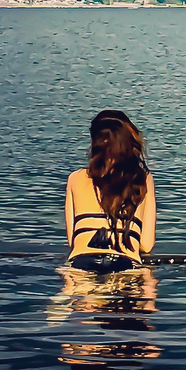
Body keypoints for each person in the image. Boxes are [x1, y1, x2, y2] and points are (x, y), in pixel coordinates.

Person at [65, 109, 156, 273]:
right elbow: (146, 244)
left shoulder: (75, 178)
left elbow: (74, 241)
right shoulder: (142, 179)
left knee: (73, 296)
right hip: (125, 264)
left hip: (82, 261)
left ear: (94, 142)